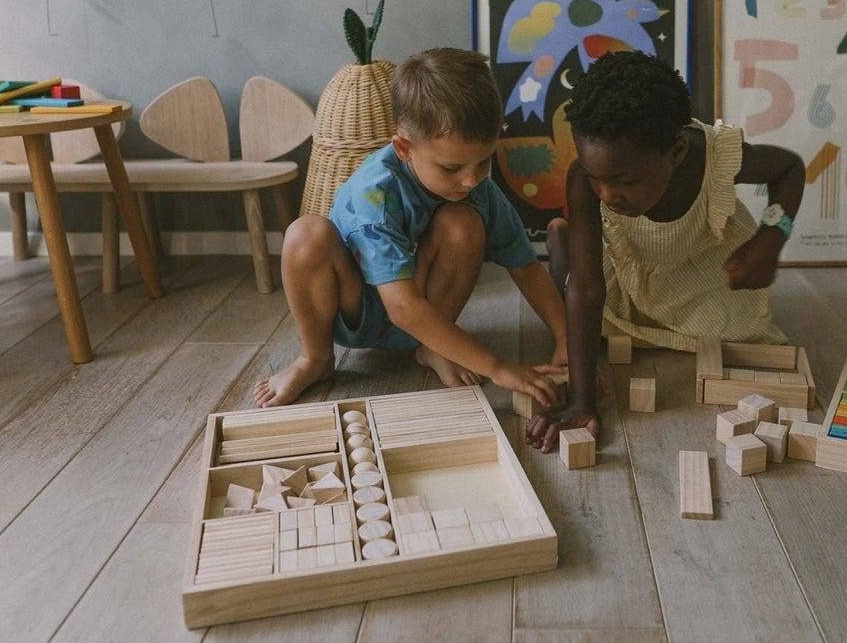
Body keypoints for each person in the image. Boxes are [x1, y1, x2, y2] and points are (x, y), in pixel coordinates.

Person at [255, 47, 567, 408]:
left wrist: (565, 339)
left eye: (483, 162)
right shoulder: (374, 195)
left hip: (425, 309)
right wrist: (497, 368)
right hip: (361, 308)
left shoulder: (477, 188)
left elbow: (527, 268)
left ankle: (431, 348)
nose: (470, 180)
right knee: (304, 234)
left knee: (464, 221)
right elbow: (401, 307)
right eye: (452, 168)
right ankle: (314, 359)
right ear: (403, 148)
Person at [527, 51, 805, 452]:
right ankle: (565, 243)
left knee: (739, 334)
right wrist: (582, 400)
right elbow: (587, 288)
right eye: (595, 178)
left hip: (700, 264)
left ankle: (566, 242)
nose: (606, 194)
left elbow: (789, 169)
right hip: (631, 267)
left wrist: (771, 237)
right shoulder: (585, 181)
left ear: (676, 153)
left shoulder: (714, 155)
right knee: (578, 299)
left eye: (622, 180)